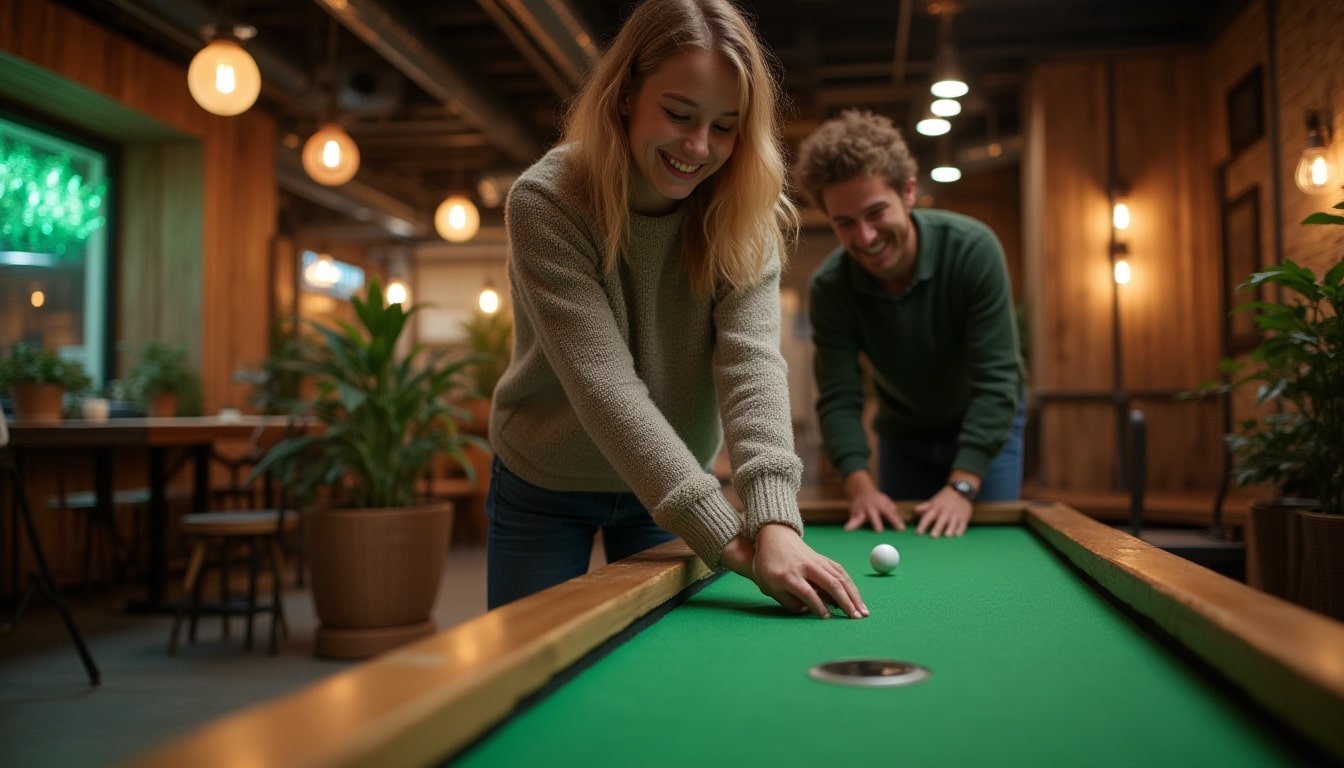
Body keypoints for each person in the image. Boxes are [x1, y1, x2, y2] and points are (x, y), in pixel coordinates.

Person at [486, 0, 866, 620]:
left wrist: (775, 520)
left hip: (669, 482)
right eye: (679, 113)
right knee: (525, 678)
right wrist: (726, 533)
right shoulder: (545, 201)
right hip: (546, 479)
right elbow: (605, 386)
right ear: (625, 94)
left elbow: (752, 368)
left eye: (725, 125)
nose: (698, 146)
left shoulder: (746, 213)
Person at [793, 109, 1026, 538]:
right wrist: (859, 485)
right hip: (903, 434)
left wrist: (962, 483)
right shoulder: (831, 287)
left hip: (986, 427)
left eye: (875, 212)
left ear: (909, 192)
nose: (864, 237)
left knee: (987, 553)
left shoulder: (973, 250)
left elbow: (998, 379)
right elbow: (840, 397)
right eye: (845, 223)